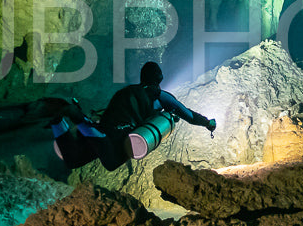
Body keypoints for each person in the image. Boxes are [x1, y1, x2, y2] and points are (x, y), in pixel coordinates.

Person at [52, 61, 215, 171]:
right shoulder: (160, 96)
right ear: (159, 79)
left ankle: (57, 122)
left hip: (102, 127)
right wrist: (208, 123)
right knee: (112, 162)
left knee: (73, 160)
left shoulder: (127, 90)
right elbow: (189, 115)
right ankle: (77, 117)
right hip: (117, 134)